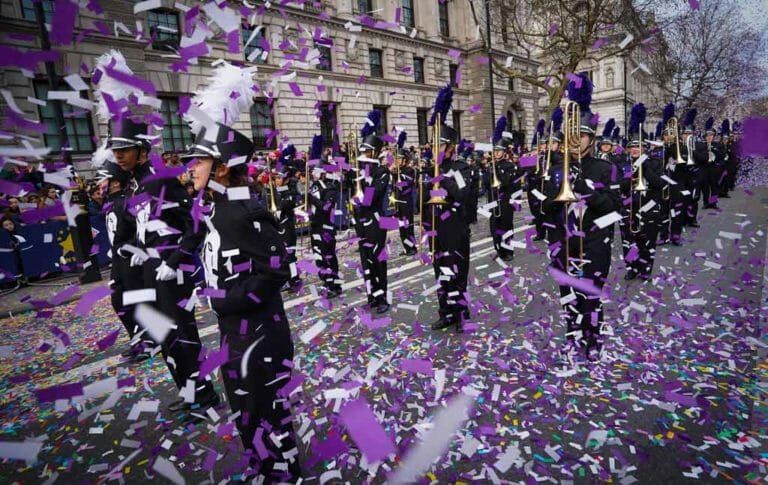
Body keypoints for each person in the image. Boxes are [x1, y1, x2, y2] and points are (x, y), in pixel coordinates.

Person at [187, 122, 301, 481]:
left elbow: (276, 271)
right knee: (246, 411)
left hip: (260, 335)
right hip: (235, 334)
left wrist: (222, 299)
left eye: (199, 161)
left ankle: (286, 474)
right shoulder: (217, 208)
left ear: (221, 167)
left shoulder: (243, 210)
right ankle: (265, 466)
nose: (190, 167)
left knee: (265, 410)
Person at [115, 118, 219, 416]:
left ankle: (203, 395)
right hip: (150, 272)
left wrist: (175, 261)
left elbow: (194, 224)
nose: (118, 155)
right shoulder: (132, 184)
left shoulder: (160, 179)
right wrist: (136, 249)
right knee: (164, 337)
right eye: (115, 150)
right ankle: (190, 392)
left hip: (172, 274)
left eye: (125, 149)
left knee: (181, 335)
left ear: (143, 151)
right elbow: (145, 228)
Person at [542, 73, 621, 362]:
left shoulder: (604, 169)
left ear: (591, 139)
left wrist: (590, 193)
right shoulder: (556, 168)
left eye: (582, 135)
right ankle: (573, 335)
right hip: (563, 242)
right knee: (568, 295)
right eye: (571, 136)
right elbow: (545, 209)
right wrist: (554, 190)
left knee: (590, 295)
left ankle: (593, 339)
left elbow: (615, 210)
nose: (575, 141)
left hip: (594, 244)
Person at [426, 86, 471, 333]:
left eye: (440, 145)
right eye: (434, 144)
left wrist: (443, 179)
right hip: (436, 230)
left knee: (457, 273)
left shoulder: (460, 168)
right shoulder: (429, 169)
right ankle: (445, 312)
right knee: (441, 274)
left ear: (450, 147)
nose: (436, 149)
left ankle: (461, 313)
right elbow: (423, 202)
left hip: (456, 229)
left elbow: (461, 193)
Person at [100, 159, 146, 362]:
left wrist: (131, 251)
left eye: (104, 180)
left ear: (115, 182)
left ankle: (145, 342)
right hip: (119, 263)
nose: (100, 184)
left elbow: (139, 231)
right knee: (120, 301)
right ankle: (140, 340)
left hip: (130, 262)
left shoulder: (126, 202)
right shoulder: (111, 203)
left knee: (133, 302)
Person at [622, 104, 665, 281]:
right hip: (628, 207)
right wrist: (630, 172)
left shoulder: (655, 162)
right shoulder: (623, 165)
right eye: (632, 147)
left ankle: (646, 268)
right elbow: (621, 187)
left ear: (645, 148)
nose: (634, 149)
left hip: (649, 207)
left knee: (647, 239)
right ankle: (632, 267)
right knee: (629, 242)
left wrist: (645, 166)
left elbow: (659, 183)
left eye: (638, 146)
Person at [353, 111, 390, 313]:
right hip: (362, 221)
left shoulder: (382, 172)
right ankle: (372, 296)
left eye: (367, 152)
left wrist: (362, 181)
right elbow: (355, 199)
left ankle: (382, 296)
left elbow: (370, 198)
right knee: (365, 259)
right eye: (363, 151)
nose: (364, 155)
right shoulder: (361, 171)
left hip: (378, 221)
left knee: (378, 259)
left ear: (375, 152)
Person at [307, 135, 343, 298]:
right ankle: (326, 282)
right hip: (315, 226)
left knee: (329, 256)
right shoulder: (313, 186)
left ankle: (335, 285)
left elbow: (327, 207)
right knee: (318, 257)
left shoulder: (330, 187)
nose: (312, 173)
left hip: (326, 227)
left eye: (315, 170)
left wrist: (312, 198)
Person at [489, 116, 518, 261]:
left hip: (506, 200)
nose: (497, 153)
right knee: (494, 227)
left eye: (499, 151)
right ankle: (499, 249)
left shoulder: (509, 166)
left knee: (506, 226)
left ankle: (508, 251)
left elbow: (507, 182)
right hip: (493, 201)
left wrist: (497, 170)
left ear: (505, 152)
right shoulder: (491, 166)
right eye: (495, 151)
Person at [393, 132, 417, 256]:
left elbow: (407, 184)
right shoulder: (395, 171)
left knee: (408, 226)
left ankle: (412, 247)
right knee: (401, 227)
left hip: (406, 201)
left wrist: (399, 175)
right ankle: (406, 247)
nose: (397, 161)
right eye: (396, 158)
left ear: (405, 160)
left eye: (399, 159)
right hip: (398, 202)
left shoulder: (409, 170)